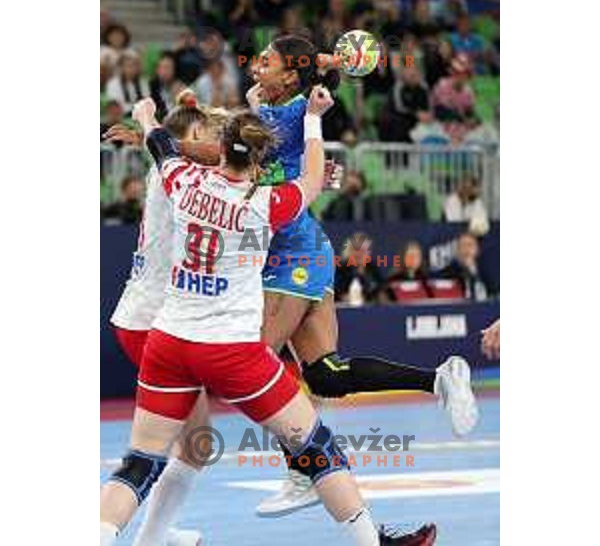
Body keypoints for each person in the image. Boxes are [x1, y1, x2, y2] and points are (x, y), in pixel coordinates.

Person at [100, 94, 437, 546]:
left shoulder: (181, 180)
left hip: (170, 336)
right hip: (223, 345)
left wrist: (146, 121)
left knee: (149, 459)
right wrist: (312, 122)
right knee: (313, 444)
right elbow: (309, 178)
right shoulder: (263, 204)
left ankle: (132, 535)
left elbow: (168, 147)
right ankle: (368, 539)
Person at [246, 35, 478, 517]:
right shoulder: (275, 106)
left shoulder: (292, 112)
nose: (254, 68)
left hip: (295, 255)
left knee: (253, 363)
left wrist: (324, 78)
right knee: (326, 377)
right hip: (303, 250)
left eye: (264, 62)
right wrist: (323, 65)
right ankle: (440, 378)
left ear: (289, 75)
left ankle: (305, 466)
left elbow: (297, 109)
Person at [104, 93, 223, 546]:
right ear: (190, 138)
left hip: (146, 317)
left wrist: (148, 134)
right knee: (180, 445)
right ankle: (145, 537)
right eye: (208, 135)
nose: (217, 143)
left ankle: (156, 533)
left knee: (194, 441)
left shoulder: (170, 167)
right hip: (154, 324)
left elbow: (177, 145)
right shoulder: (183, 173)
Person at [334, 233, 387, 305]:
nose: (359, 254)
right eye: (356, 250)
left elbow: (381, 289)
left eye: (363, 250)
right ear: (349, 251)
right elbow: (334, 292)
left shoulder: (372, 269)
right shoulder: (341, 269)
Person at [439, 232, 492, 301]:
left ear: (477, 249)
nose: (466, 249)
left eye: (470, 245)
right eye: (462, 245)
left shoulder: (488, 272)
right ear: (457, 250)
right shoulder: (447, 273)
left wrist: (472, 270)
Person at [105, 49, 150, 114]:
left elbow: (146, 102)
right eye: (129, 66)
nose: (133, 69)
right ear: (121, 67)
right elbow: (115, 106)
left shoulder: (143, 83)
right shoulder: (113, 84)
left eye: (135, 65)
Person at [149, 51, 184, 120]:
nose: (163, 72)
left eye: (167, 67)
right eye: (160, 67)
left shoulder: (181, 88)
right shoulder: (152, 86)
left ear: (175, 69)